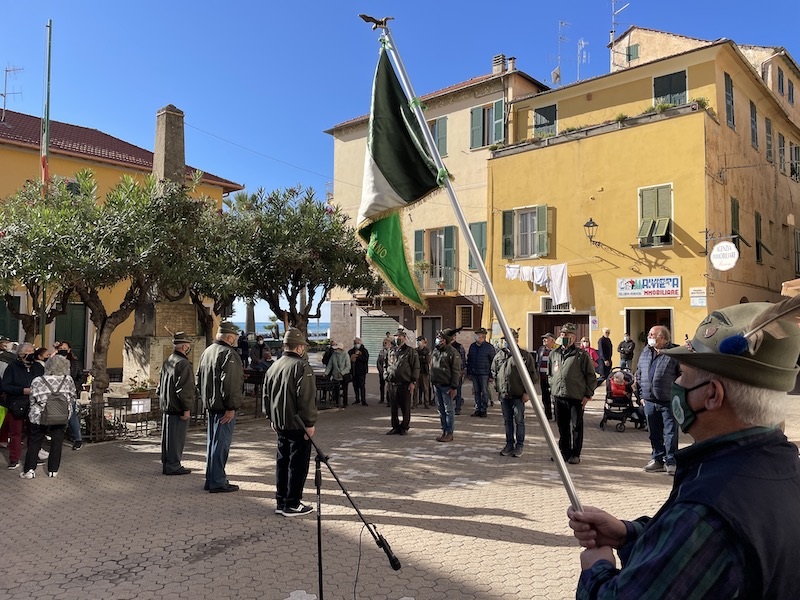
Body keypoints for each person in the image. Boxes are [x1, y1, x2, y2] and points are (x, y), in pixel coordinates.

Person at [568, 300, 800, 598]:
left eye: (683, 374)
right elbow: (686, 553)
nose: (676, 382)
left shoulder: (708, 511)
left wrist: (596, 569)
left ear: (712, 395)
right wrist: (627, 534)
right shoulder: (782, 465)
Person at [263, 327, 317, 517]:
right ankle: (292, 503)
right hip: (297, 424)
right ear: (300, 347)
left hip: (280, 422)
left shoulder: (274, 366)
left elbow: (266, 396)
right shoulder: (301, 367)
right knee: (297, 465)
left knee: (282, 462)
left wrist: (271, 417)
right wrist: (309, 423)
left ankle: (281, 500)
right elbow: (306, 398)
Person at [197, 321, 244, 493]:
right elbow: (230, 383)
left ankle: (211, 478)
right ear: (230, 337)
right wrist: (231, 407)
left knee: (213, 444)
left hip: (211, 405)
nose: (236, 339)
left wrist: (206, 399)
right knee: (221, 445)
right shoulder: (228, 354)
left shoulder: (207, 351)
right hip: (223, 407)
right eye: (235, 336)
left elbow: (198, 379)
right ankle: (217, 481)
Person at [20, 354, 76, 479]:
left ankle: (29, 470)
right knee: (57, 442)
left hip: (40, 416)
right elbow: (73, 397)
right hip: (60, 415)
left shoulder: (37, 380)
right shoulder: (68, 380)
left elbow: (32, 399)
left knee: (35, 442)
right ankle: (53, 470)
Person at [635, 325, 681, 475]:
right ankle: (657, 459)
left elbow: (683, 376)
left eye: (652, 335)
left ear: (662, 338)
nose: (649, 337)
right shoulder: (646, 352)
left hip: (668, 400)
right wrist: (641, 396)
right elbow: (639, 374)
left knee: (670, 433)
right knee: (654, 432)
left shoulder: (675, 353)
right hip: (649, 400)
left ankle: (671, 461)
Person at [549, 323, 596, 464]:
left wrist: (588, 395)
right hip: (559, 396)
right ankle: (564, 452)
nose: (563, 337)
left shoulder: (581, 355)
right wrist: (553, 387)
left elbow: (591, 376)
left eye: (567, 335)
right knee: (562, 427)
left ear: (573, 338)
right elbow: (551, 374)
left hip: (576, 397)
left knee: (576, 426)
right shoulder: (554, 354)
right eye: (562, 334)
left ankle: (575, 454)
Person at [491, 329, 537, 457]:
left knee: (519, 421)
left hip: (518, 395)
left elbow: (532, 376)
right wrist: (498, 389)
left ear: (516, 340)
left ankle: (519, 445)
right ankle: (509, 444)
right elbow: (495, 373)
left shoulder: (524, 356)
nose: (506, 342)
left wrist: (527, 392)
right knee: (507, 421)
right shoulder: (499, 355)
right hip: (504, 395)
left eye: (509, 339)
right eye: (505, 340)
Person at [1, 343, 44, 469]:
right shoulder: (12, 367)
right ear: (20, 354)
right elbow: (5, 386)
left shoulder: (38, 367)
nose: (31, 353)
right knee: (16, 432)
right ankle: (14, 459)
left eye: (32, 351)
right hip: (17, 403)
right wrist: (22, 390)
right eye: (28, 351)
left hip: (34, 403)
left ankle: (33, 456)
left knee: (33, 432)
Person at [157, 332, 195, 476]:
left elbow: (160, 385)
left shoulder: (169, 360)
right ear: (185, 346)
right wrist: (186, 408)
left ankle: (167, 463)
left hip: (167, 404)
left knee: (168, 437)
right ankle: (173, 465)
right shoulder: (183, 363)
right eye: (188, 345)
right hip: (177, 406)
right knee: (176, 438)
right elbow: (184, 388)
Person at [385, 328, 420, 435]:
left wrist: (413, 381)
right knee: (393, 407)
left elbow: (416, 367)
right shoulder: (391, 351)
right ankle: (395, 427)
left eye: (399, 336)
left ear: (404, 338)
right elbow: (386, 365)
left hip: (405, 383)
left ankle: (404, 427)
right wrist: (386, 377)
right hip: (392, 383)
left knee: (405, 407)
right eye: (396, 337)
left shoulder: (410, 351)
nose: (397, 338)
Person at [431, 328, 462, 442]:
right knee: (440, 409)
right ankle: (444, 430)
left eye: (441, 338)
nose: (438, 340)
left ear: (445, 340)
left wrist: (454, 387)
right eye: (438, 338)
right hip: (437, 384)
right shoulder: (436, 350)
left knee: (448, 410)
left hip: (447, 386)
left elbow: (456, 371)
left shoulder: (453, 352)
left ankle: (449, 432)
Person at [467, 327, 496, 418]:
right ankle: (477, 408)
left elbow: (493, 362)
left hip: (484, 373)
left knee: (484, 392)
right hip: (474, 373)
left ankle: (483, 410)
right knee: (476, 392)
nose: (476, 337)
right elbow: (469, 360)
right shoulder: (472, 346)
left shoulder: (489, 347)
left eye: (478, 335)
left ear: (482, 336)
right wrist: (469, 372)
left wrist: (491, 375)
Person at [323, 343, 350, 408]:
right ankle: (337, 403)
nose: (335, 350)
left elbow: (348, 366)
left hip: (344, 376)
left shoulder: (346, 355)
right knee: (336, 389)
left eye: (337, 349)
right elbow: (330, 365)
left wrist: (342, 373)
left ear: (340, 349)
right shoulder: (334, 355)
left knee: (345, 390)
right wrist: (326, 373)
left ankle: (345, 403)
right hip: (335, 375)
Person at [537, 333, 556, 420]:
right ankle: (548, 415)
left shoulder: (556, 350)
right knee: (545, 397)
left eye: (546, 338)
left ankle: (557, 415)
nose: (544, 340)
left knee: (554, 397)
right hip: (543, 377)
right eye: (543, 338)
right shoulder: (541, 349)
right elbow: (538, 361)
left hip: (553, 378)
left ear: (552, 340)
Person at [450, 332, 468, 415]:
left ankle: (458, 408)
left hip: (457, 372)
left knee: (458, 390)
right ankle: (449, 407)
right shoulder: (445, 346)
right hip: (448, 373)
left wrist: (462, 370)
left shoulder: (459, 346)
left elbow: (463, 359)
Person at [348, 337, 369, 406]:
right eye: (355, 343)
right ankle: (357, 399)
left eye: (358, 343)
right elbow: (348, 359)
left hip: (361, 371)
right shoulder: (351, 351)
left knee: (362, 386)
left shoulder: (364, 351)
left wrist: (358, 356)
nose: (356, 344)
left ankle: (363, 400)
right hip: (353, 371)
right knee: (355, 386)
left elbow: (366, 359)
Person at [415, 336, 432, 408]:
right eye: (418, 341)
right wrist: (422, 357)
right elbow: (414, 360)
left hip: (425, 371)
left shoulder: (427, 350)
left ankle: (426, 403)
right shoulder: (415, 350)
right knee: (415, 388)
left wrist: (420, 358)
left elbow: (427, 360)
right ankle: (415, 403)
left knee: (426, 388)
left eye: (420, 340)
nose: (418, 342)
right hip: (416, 371)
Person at [376, 338, 390, 404]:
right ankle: (381, 399)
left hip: (388, 372)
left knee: (388, 386)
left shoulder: (391, 351)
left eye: (385, 343)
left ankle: (388, 400)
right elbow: (378, 362)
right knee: (382, 385)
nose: (384, 344)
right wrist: (380, 370)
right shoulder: (381, 352)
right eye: (383, 343)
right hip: (382, 371)